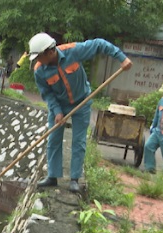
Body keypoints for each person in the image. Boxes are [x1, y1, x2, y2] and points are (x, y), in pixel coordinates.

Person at [29, 33, 133, 192]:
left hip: (81, 102)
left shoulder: (73, 51)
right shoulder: (39, 71)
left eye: (39, 57)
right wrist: (57, 111)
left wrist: (122, 58)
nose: (37, 60)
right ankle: (52, 176)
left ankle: (74, 179)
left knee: (78, 142)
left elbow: (99, 43)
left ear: (50, 52)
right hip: (59, 105)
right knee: (53, 140)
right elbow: (47, 94)